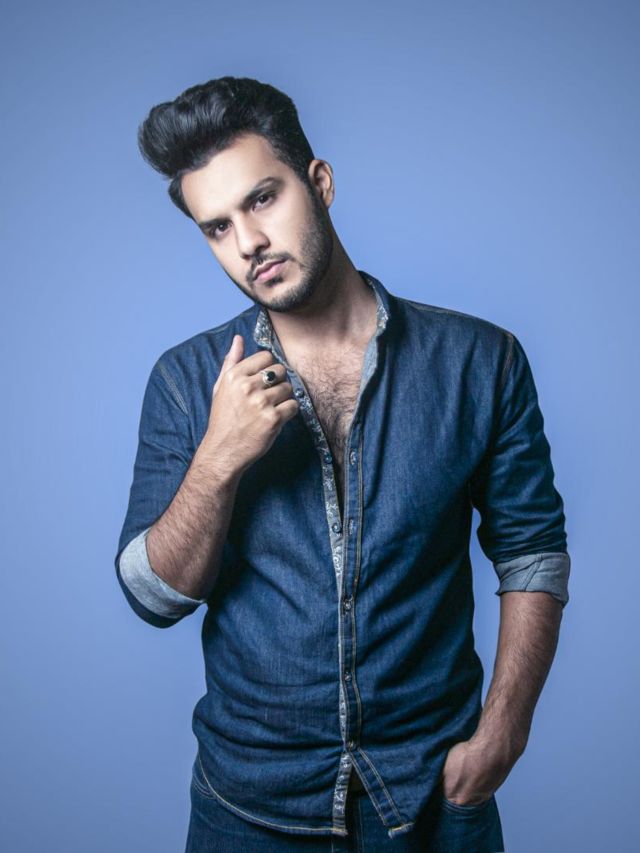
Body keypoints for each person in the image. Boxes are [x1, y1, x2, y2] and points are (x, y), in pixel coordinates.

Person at [114, 76, 571, 853]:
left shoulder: (479, 361)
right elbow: (154, 596)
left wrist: (505, 732)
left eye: (262, 199)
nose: (248, 242)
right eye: (218, 227)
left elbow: (533, 551)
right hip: (247, 807)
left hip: (431, 797)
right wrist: (219, 458)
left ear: (319, 182)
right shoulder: (188, 381)